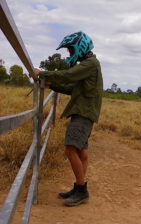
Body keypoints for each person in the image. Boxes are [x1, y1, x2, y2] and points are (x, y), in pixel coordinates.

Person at [34, 31, 103, 206]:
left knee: (70, 149)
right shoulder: (90, 65)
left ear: (80, 47)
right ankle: (78, 187)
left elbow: (68, 76)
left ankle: (81, 191)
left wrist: (43, 74)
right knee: (81, 152)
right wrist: (52, 84)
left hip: (83, 113)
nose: (70, 54)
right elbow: (72, 88)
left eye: (71, 49)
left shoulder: (90, 63)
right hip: (84, 112)